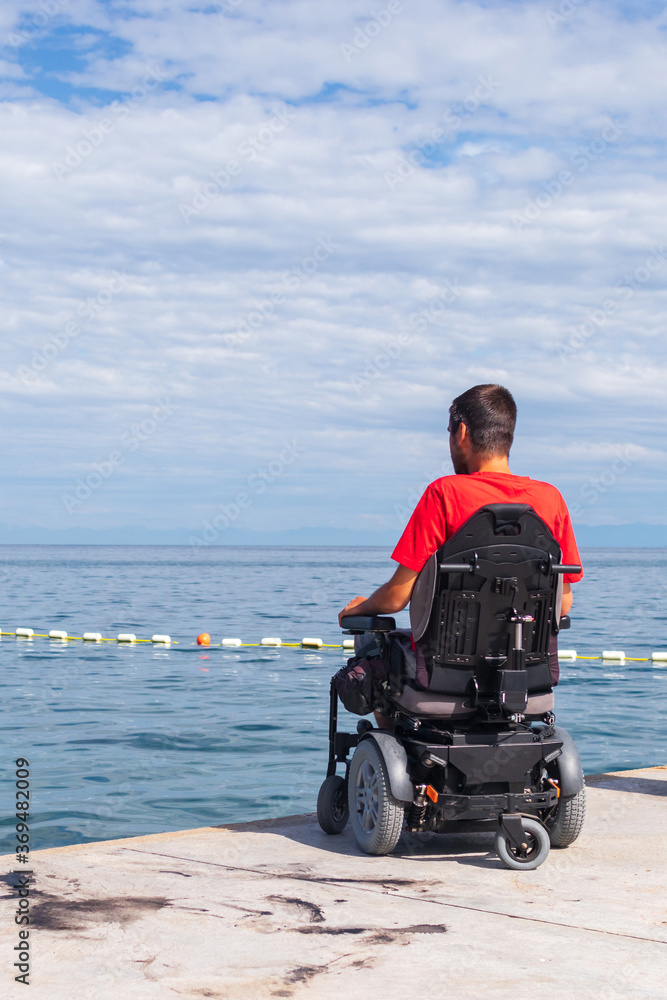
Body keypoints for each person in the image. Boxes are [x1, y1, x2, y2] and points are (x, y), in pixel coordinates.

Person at [338, 384, 583, 722]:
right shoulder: (549, 499)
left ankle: (391, 743)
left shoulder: (444, 494)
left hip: (443, 674)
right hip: (524, 673)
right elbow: (563, 603)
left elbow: (396, 598)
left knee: (372, 642)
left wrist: (359, 607)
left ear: (462, 431)